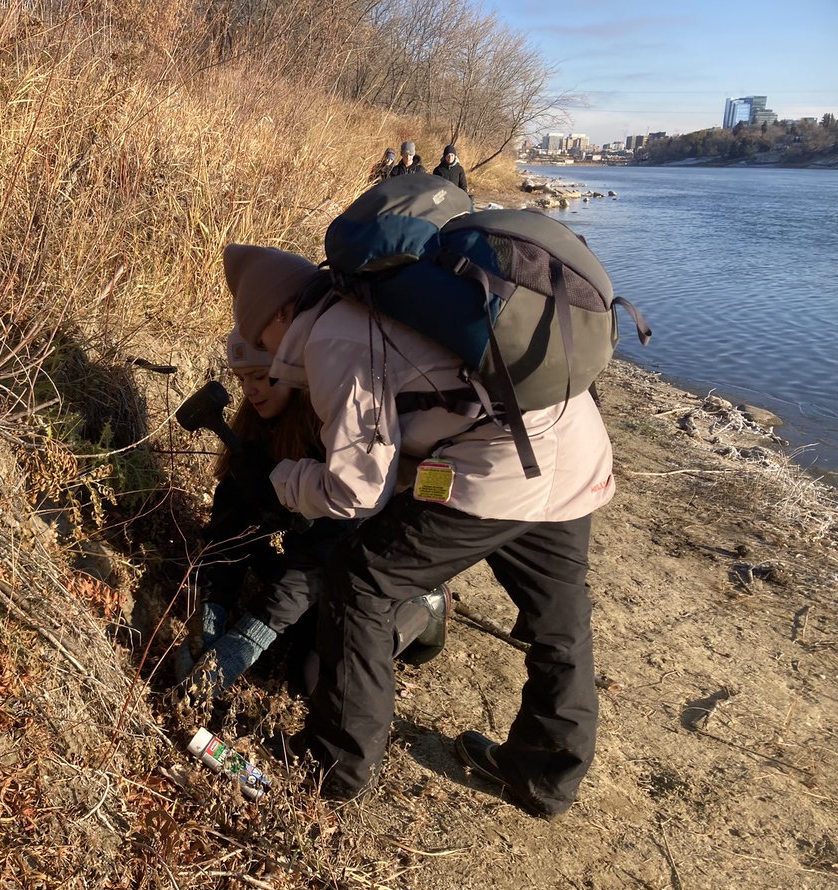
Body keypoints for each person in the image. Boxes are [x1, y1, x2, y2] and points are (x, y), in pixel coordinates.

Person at [224, 242, 616, 818]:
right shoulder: (370, 305)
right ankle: (545, 776)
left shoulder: (332, 338)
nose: (266, 350)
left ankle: (335, 766)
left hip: (505, 463)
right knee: (560, 619)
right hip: (570, 438)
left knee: (361, 580)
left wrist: (285, 480)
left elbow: (356, 492)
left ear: (279, 314)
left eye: (260, 336)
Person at [176, 326, 449, 704]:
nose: (250, 389)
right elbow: (228, 534)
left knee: (313, 678)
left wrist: (249, 636)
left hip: (361, 564)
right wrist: (211, 611)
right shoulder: (252, 445)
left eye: (261, 376)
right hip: (314, 560)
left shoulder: (336, 443)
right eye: (241, 380)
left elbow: (318, 558)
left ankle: (422, 605)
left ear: (292, 372)